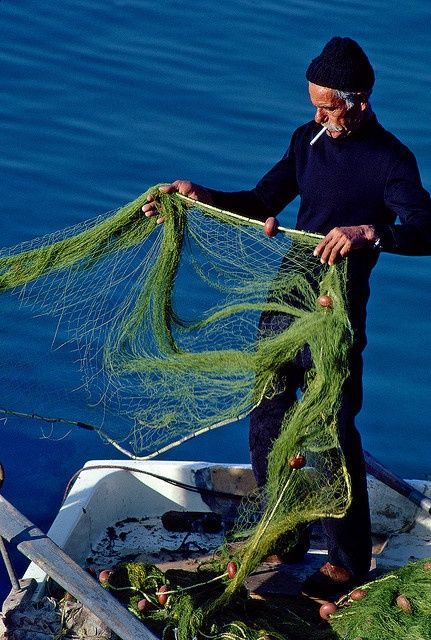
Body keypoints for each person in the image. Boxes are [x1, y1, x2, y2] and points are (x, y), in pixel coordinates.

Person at [142, 37, 431, 598]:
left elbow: (425, 229)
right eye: (314, 104)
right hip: (285, 296)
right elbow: (261, 200)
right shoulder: (308, 141)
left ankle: (348, 561)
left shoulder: (390, 160)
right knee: (268, 414)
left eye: (328, 106)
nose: (318, 116)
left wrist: (370, 232)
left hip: (336, 309)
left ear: (360, 101)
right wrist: (197, 194)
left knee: (327, 428)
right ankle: (284, 533)